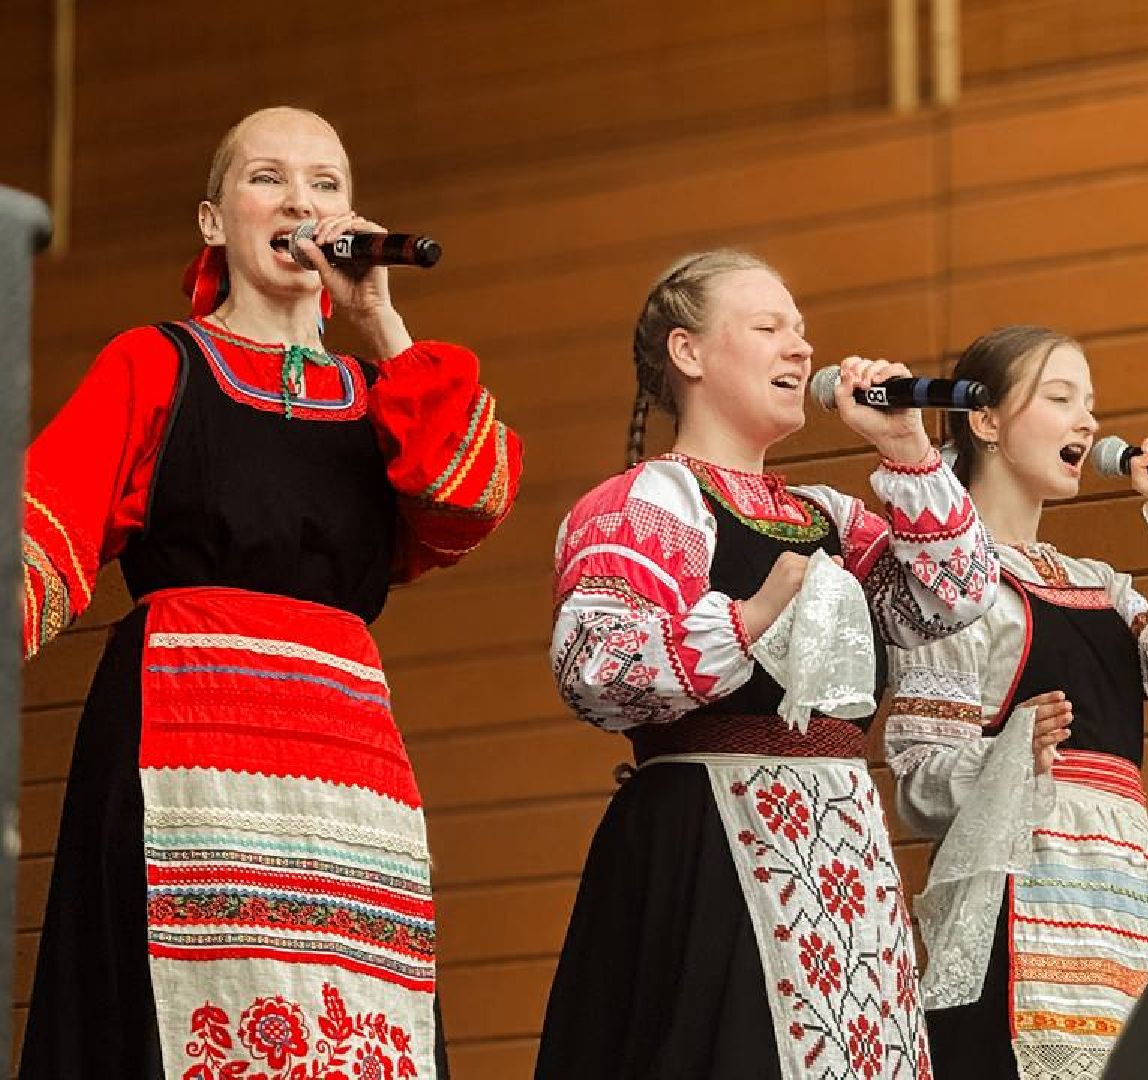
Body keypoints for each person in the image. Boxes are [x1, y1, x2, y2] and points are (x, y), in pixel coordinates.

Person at [18, 106, 523, 1079]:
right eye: (269, 178)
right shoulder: (155, 362)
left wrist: (378, 317)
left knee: (359, 1032)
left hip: (344, 776)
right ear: (213, 221)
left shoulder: (381, 393)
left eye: (327, 183)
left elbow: (470, 499)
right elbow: (41, 535)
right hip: (180, 751)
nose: (302, 200)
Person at [535, 249, 998, 1080]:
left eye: (803, 330)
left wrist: (905, 448)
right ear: (689, 354)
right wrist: (746, 621)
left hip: (844, 847)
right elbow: (593, 666)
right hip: (713, 838)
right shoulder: (649, 502)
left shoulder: (826, 516)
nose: (801, 348)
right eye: (769, 327)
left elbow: (955, 596)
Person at [882, 325, 1148, 1079]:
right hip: (1024, 901)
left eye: (1090, 404)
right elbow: (917, 786)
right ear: (984, 422)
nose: (1088, 422)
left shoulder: (1101, 584)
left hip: (1124, 897)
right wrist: (1009, 755)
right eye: (1060, 399)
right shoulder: (955, 591)